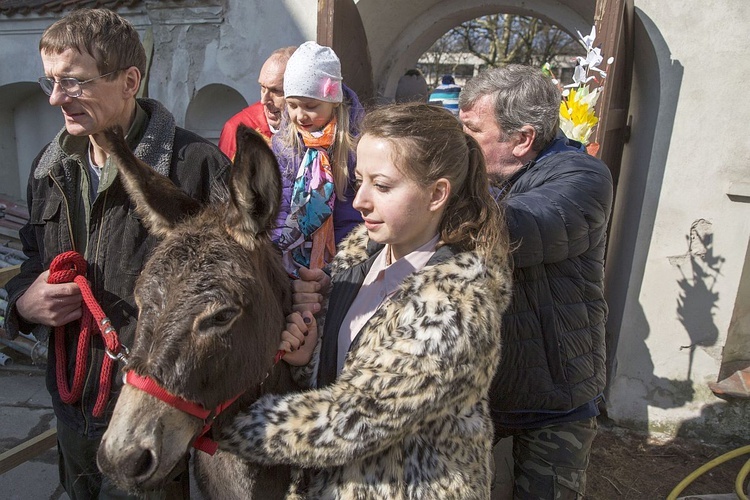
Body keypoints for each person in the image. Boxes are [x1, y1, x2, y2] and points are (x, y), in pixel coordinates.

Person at [220, 103, 513, 499]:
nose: (359, 200)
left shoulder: (454, 305)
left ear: (437, 194)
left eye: (383, 185)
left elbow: (354, 421)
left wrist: (226, 423)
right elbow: (346, 371)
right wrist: (310, 355)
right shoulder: (363, 256)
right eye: (360, 181)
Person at [2, 8, 230, 499]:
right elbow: (30, 263)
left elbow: (233, 293)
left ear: (130, 80)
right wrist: (24, 302)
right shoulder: (50, 167)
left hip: (152, 420)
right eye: (51, 82)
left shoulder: (198, 170)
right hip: (70, 410)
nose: (58, 99)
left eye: (75, 83)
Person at [458, 64, 614, 499]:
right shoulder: (484, 178)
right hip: (481, 392)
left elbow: (520, 229)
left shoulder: (581, 176)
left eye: (472, 131)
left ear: (522, 139)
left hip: (553, 395)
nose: (460, 141)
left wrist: (427, 199)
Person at [272, 41, 364, 276]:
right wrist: (277, 248)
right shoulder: (285, 145)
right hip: (292, 254)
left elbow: (352, 212)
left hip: (344, 255)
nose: (300, 115)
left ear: (333, 100)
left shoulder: (355, 142)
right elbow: (281, 203)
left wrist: (343, 261)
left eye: (311, 106)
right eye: (292, 105)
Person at [217, 46, 296, 159]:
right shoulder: (237, 129)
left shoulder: (316, 126)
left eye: (276, 91)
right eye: (263, 88)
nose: (264, 100)